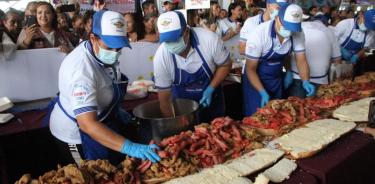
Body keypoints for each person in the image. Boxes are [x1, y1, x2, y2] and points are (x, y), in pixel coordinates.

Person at [49, 10, 160, 165]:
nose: (115, 53)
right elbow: (87, 124)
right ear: (93, 38)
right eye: (110, 47)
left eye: (119, 48)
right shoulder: (81, 71)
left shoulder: (100, 53)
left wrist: (115, 109)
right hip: (76, 133)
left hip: (101, 118)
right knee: (89, 174)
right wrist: (131, 147)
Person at [153, 11, 232, 122]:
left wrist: (211, 88)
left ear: (186, 31)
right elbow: (164, 100)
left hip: (213, 104)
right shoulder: (161, 57)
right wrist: (174, 125)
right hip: (182, 111)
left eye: (175, 39)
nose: (171, 44)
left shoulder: (209, 40)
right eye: (167, 41)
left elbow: (226, 65)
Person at [242, 4, 314, 116]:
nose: (289, 31)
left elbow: (301, 60)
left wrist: (305, 80)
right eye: (286, 26)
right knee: (257, 117)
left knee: (278, 116)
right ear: (277, 18)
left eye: (292, 28)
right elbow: (250, 69)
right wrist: (262, 92)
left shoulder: (298, 33)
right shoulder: (259, 34)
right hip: (255, 80)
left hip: (275, 79)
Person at [287, 13, 342, 98]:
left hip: (298, 77)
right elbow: (337, 60)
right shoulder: (329, 31)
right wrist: (336, 79)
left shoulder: (298, 28)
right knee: (316, 108)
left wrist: (288, 70)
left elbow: (287, 52)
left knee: (296, 106)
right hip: (320, 79)